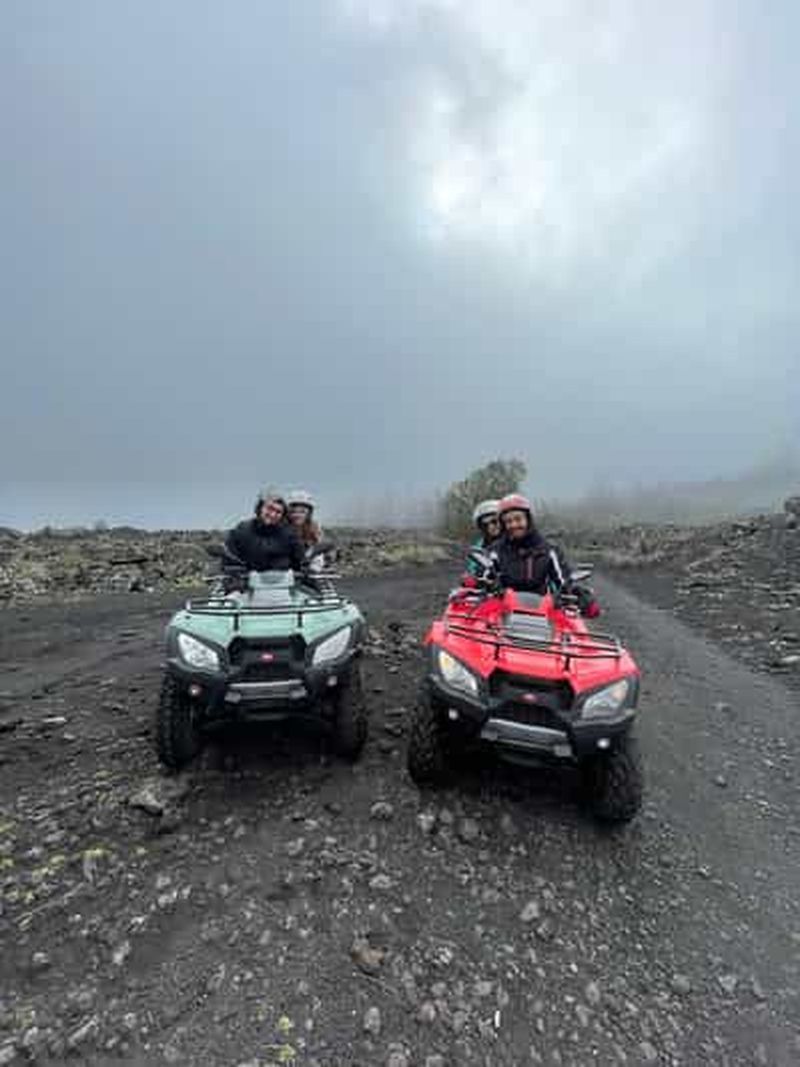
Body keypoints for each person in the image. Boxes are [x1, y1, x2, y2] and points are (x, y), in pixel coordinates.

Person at [493, 493, 600, 616]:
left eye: (518, 519)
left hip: (541, 612)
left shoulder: (549, 550)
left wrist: (579, 595)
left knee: (568, 628)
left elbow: (563, 582)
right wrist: (473, 582)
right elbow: (485, 576)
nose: (513, 525)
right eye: (508, 521)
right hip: (501, 610)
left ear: (528, 519)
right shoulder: (496, 550)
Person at [224, 489, 305, 573]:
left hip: (284, 583)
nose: (273, 514)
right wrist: (233, 570)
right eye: (270, 508)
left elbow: (300, 560)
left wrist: (304, 568)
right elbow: (230, 557)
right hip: (247, 583)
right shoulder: (242, 530)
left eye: (278, 512)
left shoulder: (289, 534)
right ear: (260, 508)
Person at [287, 489, 331, 573]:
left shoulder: (314, 528)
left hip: (308, 567)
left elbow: (319, 546)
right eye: (293, 512)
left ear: (309, 513)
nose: (297, 515)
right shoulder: (282, 527)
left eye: (302, 512)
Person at [466, 499, 501, 575]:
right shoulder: (477, 549)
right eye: (485, 524)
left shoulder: (515, 543)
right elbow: (472, 570)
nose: (491, 526)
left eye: (494, 521)